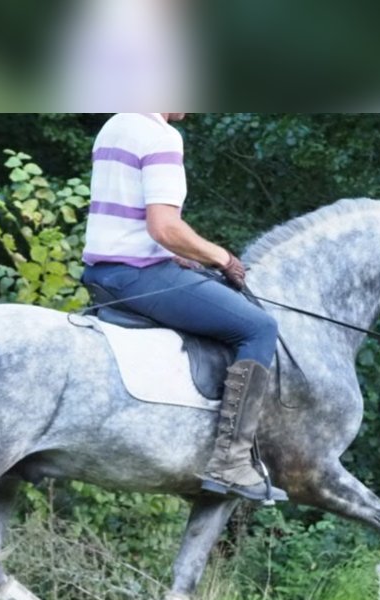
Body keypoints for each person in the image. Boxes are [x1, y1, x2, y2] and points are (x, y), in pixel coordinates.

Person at [81, 113, 287, 504]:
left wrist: (179, 256)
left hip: (102, 271)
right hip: (138, 277)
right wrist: (221, 257)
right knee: (258, 327)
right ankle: (231, 462)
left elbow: (135, 223)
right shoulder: (161, 136)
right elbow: (165, 227)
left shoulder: (115, 125)